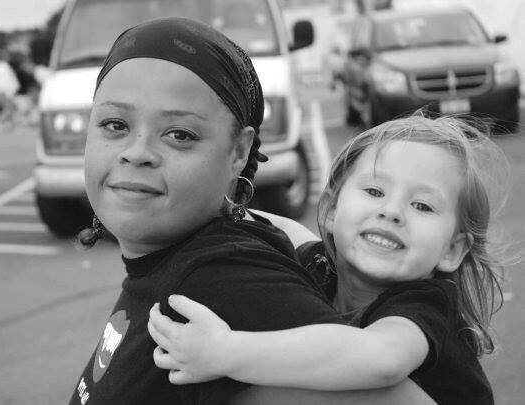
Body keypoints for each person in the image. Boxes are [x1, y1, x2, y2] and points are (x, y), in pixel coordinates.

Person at [69, 17, 432, 405]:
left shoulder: (221, 280)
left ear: (239, 153)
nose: (137, 152)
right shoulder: (182, 258)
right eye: (114, 124)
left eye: (180, 135)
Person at [148, 114, 509, 404]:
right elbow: (291, 231)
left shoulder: (426, 305)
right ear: (334, 211)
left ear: (451, 250)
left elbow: (380, 360)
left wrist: (223, 351)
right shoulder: (322, 265)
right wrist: (220, 207)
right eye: (374, 190)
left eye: (422, 205)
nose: (391, 211)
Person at [0, 49, 20, 130]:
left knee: (10, 108)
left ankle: (9, 124)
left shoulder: (1, 66)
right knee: (9, 108)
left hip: (4, 91)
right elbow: (4, 81)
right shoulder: (1, 66)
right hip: (4, 92)